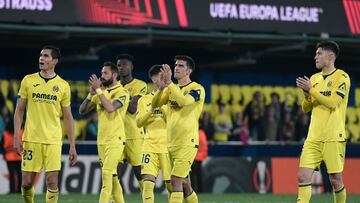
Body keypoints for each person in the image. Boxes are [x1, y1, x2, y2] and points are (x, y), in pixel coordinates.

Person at [13, 45, 78, 203]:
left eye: (46, 56)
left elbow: (68, 117)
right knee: (27, 183)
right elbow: (19, 111)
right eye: (41, 55)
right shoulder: (28, 80)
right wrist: (17, 136)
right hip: (31, 139)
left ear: (55, 61)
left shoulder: (63, 85)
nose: (41, 58)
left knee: (52, 182)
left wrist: (72, 145)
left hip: (53, 140)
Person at [296, 41, 350, 203]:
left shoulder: (342, 77)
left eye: (319, 53)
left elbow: (332, 102)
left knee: (335, 180)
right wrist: (306, 95)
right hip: (313, 137)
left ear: (330, 56)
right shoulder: (314, 78)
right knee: (302, 176)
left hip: (333, 136)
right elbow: (306, 108)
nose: (315, 57)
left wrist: (311, 89)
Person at [152, 55, 205, 203]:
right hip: (171, 142)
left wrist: (169, 83)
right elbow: (155, 104)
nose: (176, 67)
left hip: (187, 142)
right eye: (175, 65)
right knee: (184, 184)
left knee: (175, 180)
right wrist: (161, 88)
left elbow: (182, 101)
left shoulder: (197, 89)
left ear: (189, 71)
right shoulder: (170, 89)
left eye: (181, 66)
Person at [79, 61, 129, 203]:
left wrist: (99, 91)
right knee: (113, 178)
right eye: (101, 73)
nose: (102, 76)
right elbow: (82, 111)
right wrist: (90, 94)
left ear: (114, 75)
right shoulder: (102, 92)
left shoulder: (122, 92)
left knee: (106, 176)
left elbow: (111, 108)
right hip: (102, 141)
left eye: (105, 73)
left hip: (116, 140)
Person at [136, 65, 172, 203]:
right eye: (159, 77)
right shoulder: (143, 100)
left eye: (164, 77)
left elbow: (171, 120)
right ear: (153, 78)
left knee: (171, 186)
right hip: (149, 145)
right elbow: (139, 123)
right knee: (147, 183)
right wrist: (151, 110)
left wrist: (160, 106)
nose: (161, 80)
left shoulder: (170, 97)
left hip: (167, 147)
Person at [116, 54, 147, 189]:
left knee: (140, 174)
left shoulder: (140, 85)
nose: (121, 68)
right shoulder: (114, 85)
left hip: (134, 135)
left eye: (125, 65)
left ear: (131, 67)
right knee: (114, 175)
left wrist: (117, 98)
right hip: (117, 136)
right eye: (119, 65)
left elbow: (133, 108)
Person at [2, 111, 22, 193]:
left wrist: (4, 154)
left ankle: (12, 189)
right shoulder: (20, 132)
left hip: (9, 157)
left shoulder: (5, 133)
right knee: (19, 173)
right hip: (18, 156)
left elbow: (2, 145)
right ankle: (20, 189)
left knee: (11, 174)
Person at [190, 128, 208, 193]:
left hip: (194, 156)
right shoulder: (202, 132)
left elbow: (194, 144)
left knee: (192, 176)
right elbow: (204, 144)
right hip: (200, 157)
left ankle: (192, 190)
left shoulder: (193, 132)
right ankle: (200, 190)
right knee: (199, 175)